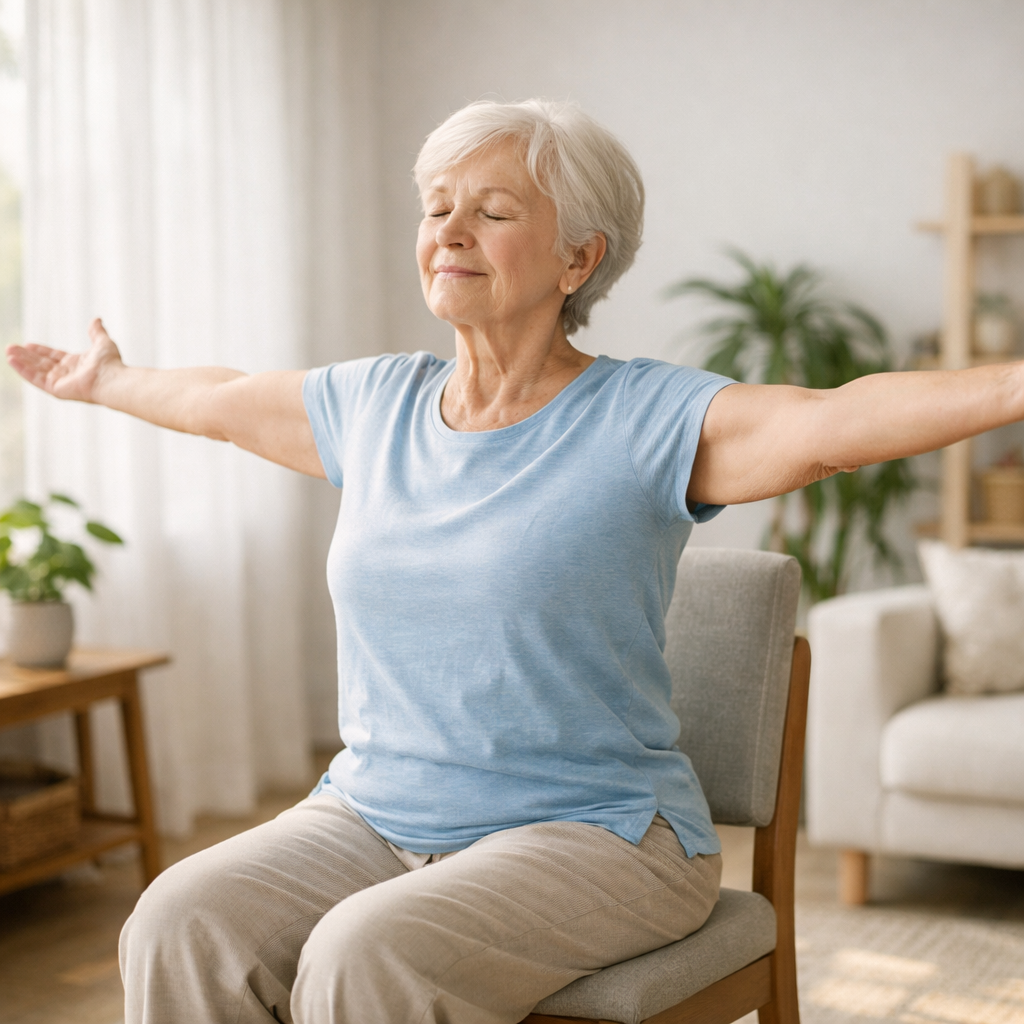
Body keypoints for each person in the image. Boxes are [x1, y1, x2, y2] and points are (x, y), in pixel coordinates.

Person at [7, 99, 1023, 1024]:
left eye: (490, 210)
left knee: (366, 956)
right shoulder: (373, 407)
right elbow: (221, 401)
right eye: (436, 205)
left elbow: (835, 422)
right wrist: (112, 381)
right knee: (176, 920)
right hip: (372, 809)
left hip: (601, 835)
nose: (448, 229)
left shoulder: (643, 419)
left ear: (579, 260)